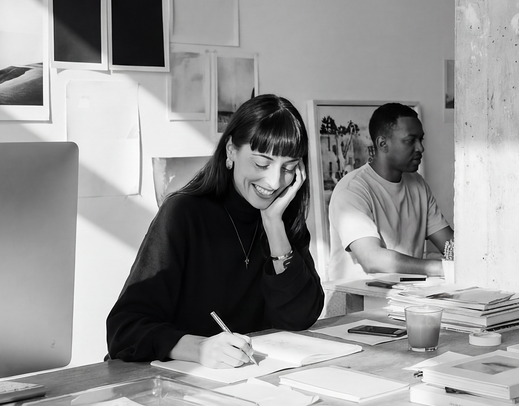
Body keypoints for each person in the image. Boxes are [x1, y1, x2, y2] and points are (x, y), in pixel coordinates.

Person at [107, 94, 324, 367]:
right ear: (231, 150)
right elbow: (124, 330)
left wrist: (273, 226)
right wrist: (198, 348)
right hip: (173, 384)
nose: (274, 181)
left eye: (289, 168)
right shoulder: (183, 213)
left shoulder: (282, 217)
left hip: (251, 383)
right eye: (261, 163)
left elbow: (300, 318)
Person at [328, 103, 453, 279]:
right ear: (382, 144)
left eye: (421, 140)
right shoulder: (352, 190)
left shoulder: (418, 184)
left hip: (407, 298)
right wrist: (442, 269)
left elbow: (449, 244)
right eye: (410, 140)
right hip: (359, 302)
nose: (420, 148)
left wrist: (470, 260)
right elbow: (371, 259)